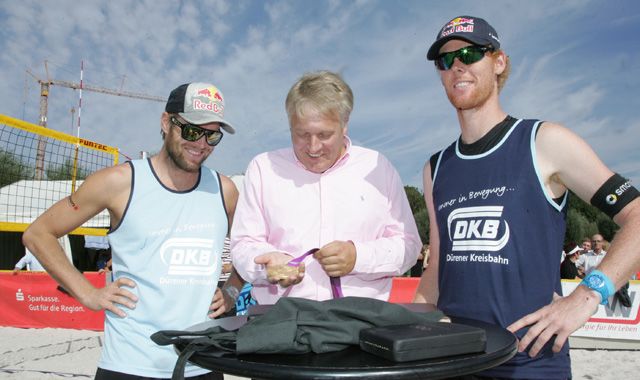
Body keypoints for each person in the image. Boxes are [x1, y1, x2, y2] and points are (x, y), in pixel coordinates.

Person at [413, 15, 640, 379]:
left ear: (499, 62)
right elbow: (438, 268)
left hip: (529, 363)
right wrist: (407, 329)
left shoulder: (544, 142)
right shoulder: (435, 167)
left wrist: (585, 297)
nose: (457, 67)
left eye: (470, 54)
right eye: (445, 60)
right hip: (450, 362)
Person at [22, 82, 239, 379]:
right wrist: (87, 293)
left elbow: (250, 248)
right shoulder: (118, 183)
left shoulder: (224, 190)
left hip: (203, 362)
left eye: (212, 135)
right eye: (192, 130)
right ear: (166, 122)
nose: (201, 143)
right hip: (129, 363)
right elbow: (38, 234)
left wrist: (232, 289)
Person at [230, 70, 421, 304]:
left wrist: (358, 257)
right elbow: (242, 245)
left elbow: (409, 246)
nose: (313, 147)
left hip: (362, 321)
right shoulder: (263, 168)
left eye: (324, 135)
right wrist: (267, 264)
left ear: (345, 125)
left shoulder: (378, 168)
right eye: (301, 134)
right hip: (282, 322)